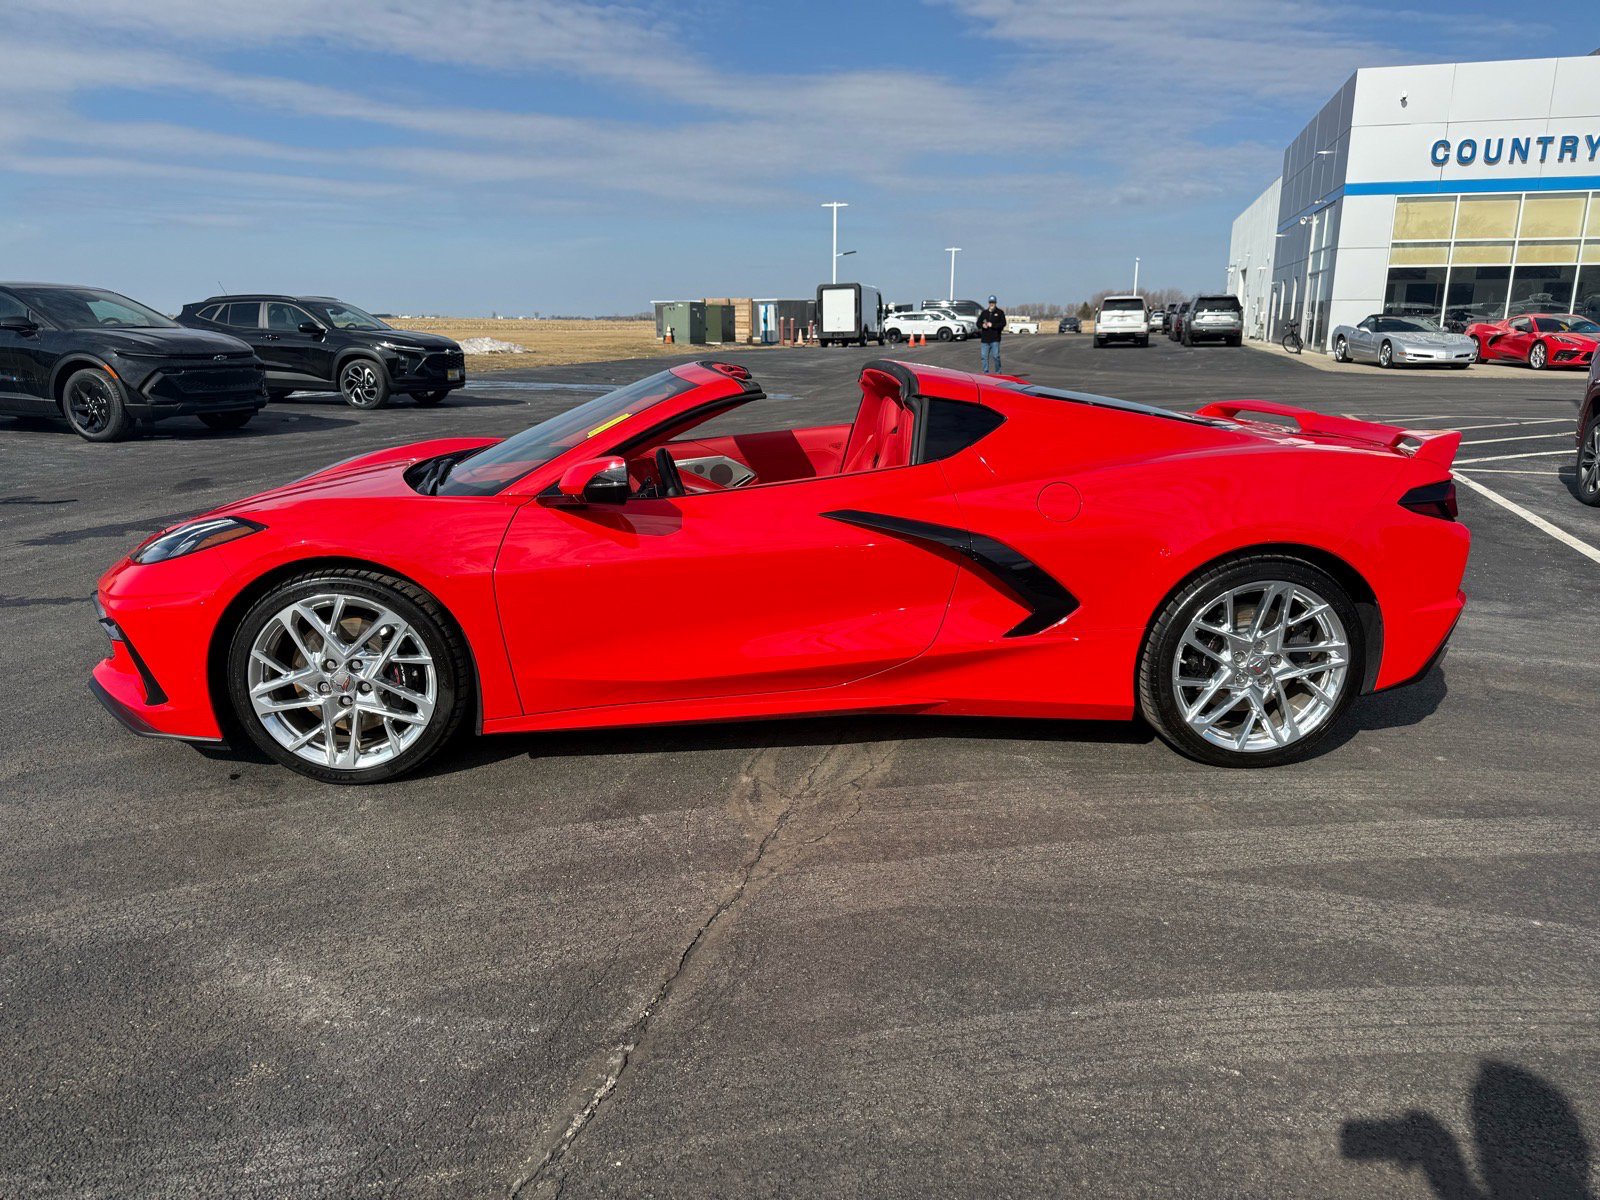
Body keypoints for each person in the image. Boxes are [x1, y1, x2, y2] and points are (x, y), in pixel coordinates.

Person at [977, 295, 1006, 373]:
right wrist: (982, 325)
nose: (991, 304)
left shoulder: (1000, 313)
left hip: (995, 339)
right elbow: (978, 323)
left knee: (996, 356)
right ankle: (985, 373)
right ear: (988, 303)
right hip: (985, 340)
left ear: (996, 303)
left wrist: (992, 325)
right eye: (990, 302)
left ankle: (998, 372)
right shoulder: (984, 313)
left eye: (993, 302)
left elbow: (1003, 323)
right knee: (984, 357)